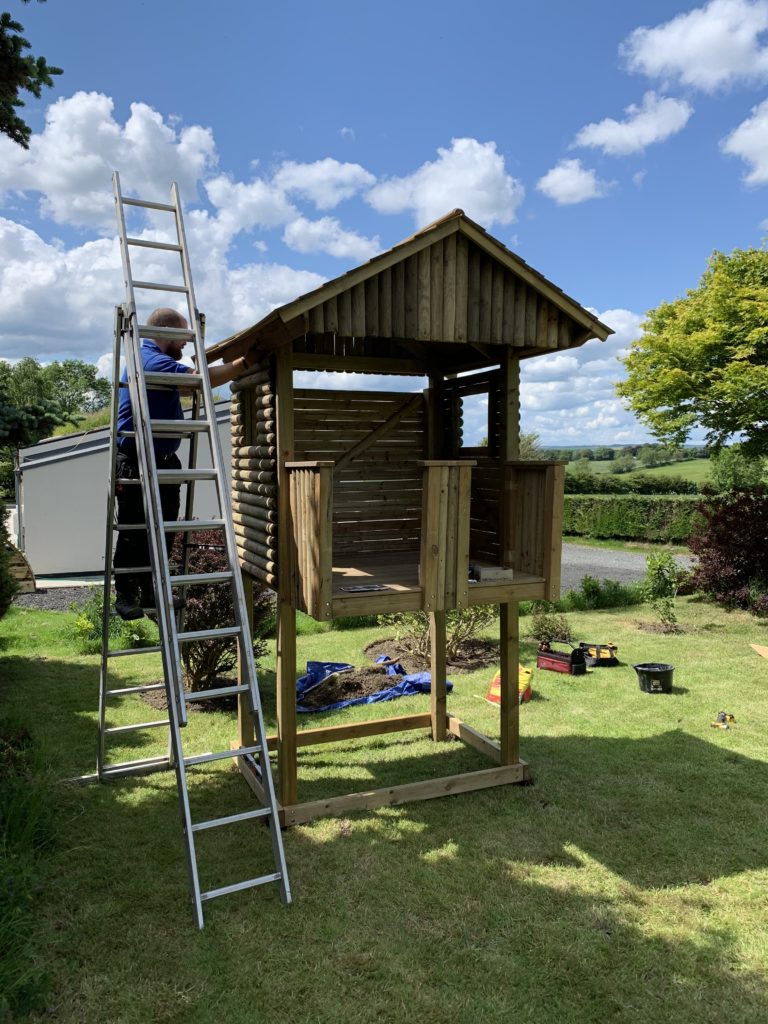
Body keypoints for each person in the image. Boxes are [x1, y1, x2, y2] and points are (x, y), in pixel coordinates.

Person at [113, 307, 252, 620]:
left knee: (165, 530)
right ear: (164, 333)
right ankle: (125, 595)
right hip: (136, 461)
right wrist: (245, 362)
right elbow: (198, 382)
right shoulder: (148, 359)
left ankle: (152, 591)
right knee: (135, 529)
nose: (186, 345)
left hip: (164, 460)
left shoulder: (158, 360)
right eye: (182, 337)